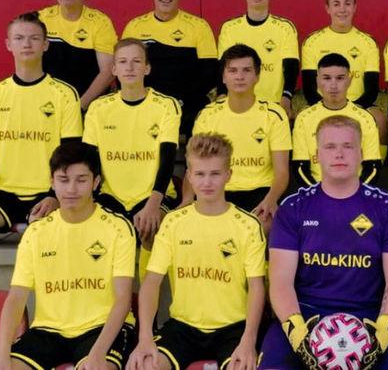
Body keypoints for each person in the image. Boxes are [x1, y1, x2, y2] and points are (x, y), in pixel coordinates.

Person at [260, 115, 388, 369]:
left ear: (362, 154)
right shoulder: (293, 208)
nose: (339, 154)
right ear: (317, 155)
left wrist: (382, 332)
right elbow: (280, 282)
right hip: (306, 313)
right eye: (330, 147)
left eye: (348, 146)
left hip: (370, 314)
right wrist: (298, 335)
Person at [0, 12, 83, 290]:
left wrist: (56, 195)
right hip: (4, 192)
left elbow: (71, 154)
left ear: (45, 45)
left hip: (47, 192)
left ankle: (49, 310)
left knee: (42, 241)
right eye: (20, 38)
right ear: (8, 44)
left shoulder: (64, 94)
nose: (27, 44)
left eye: (34, 38)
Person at [0, 142, 136, 370]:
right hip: (48, 331)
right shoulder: (36, 233)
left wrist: (97, 354)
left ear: (96, 182)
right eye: (63, 180)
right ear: (52, 182)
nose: (71, 189)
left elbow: (123, 298)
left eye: (81, 180)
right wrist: (1, 355)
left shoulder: (118, 228)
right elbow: (16, 298)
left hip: (100, 328)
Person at [126, 133, 266, 370]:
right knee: (143, 365)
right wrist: (145, 337)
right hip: (183, 328)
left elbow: (256, 287)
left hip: (233, 328)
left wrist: (248, 340)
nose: (207, 182)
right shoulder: (173, 222)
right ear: (189, 176)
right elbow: (151, 282)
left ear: (228, 175)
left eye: (215, 174)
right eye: (200, 174)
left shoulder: (248, 226)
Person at [83, 38, 181, 281]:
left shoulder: (166, 106)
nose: (129, 67)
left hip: (152, 196)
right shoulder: (98, 108)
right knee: (92, 237)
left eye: (136, 61)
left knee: (151, 230)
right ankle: (115, 302)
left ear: (147, 68)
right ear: (114, 69)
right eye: (123, 62)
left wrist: (153, 205)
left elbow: (168, 160)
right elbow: (88, 162)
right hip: (111, 195)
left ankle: (148, 305)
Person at [184, 44, 291, 228]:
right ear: (223, 77)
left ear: (257, 76)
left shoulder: (274, 115)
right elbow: (193, 166)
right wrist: (187, 200)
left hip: (260, 191)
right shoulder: (208, 115)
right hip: (218, 190)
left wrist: (271, 199)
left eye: (246, 70)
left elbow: (281, 172)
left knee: (262, 225)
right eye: (232, 71)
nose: (239, 76)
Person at [121, 0, 217, 135]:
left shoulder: (199, 27)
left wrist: (180, 102)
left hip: (188, 110)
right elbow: (124, 71)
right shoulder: (135, 27)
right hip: (146, 109)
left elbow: (209, 73)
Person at [301, 0, 387, 142]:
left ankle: (377, 158)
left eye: (347, 3)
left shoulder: (368, 43)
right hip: (322, 102)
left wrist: (350, 109)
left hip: (359, 104)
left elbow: (371, 91)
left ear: (354, 7)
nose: (342, 9)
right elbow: (309, 90)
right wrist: (329, 108)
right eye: (336, 4)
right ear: (328, 8)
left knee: (380, 120)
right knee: (301, 117)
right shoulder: (312, 42)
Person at [217, 0, 300, 119]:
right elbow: (223, 66)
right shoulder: (229, 28)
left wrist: (287, 97)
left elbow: (291, 67)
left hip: (273, 105)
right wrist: (221, 94)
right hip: (237, 105)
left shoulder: (285, 28)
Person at [292, 53, 381, 187]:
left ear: (349, 80)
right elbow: (300, 168)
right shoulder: (304, 118)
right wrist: (318, 194)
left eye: (340, 78)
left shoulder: (365, 118)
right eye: (327, 78)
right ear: (317, 81)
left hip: (356, 192)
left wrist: (356, 193)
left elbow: (373, 167)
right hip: (317, 192)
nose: (333, 85)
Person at [38, 0, 117, 110]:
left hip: (88, 106)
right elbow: (27, 65)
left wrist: (79, 107)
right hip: (48, 105)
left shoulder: (100, 22)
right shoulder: (40, 20)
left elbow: (108, 72)